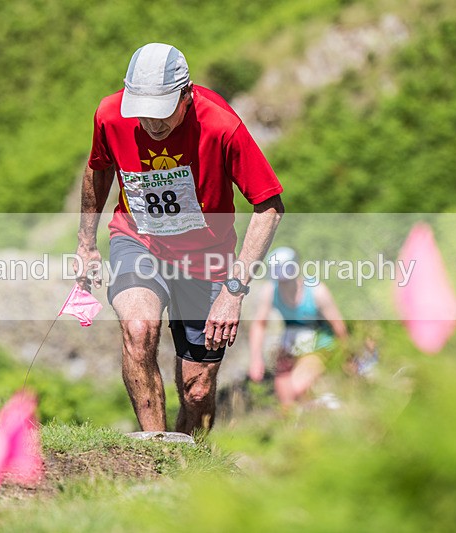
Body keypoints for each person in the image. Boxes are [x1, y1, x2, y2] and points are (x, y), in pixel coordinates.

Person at [75, 43, 284, 434]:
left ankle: (191, 460)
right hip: (138, 240)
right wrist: (86, 245)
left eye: (162, 112)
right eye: (143, 112)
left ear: (186, 95)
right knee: (139, 329)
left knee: (197, 389)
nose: (152, 124)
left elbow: (269, 206)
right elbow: (98, 169)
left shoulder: (222, 125)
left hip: (207, 257)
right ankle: (156, 453)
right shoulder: (110, 115)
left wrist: (234, 290)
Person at [248, 247, 348, 408]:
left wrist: (346, 356)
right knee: (284, 395)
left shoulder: (316, 290)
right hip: (291, 341)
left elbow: (338, 325)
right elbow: (259, 324)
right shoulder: (271, 290)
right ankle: (293, 417)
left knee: (296, 388)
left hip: (320, 343)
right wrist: (256, 359)